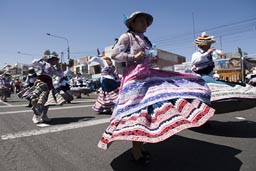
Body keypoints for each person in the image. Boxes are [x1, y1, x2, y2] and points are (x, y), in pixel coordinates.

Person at [97, 11, 215, 164]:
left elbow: (148, 58)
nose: (144, 24)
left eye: (146, 22)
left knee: (151, 111)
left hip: (149, 75)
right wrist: (133, 57)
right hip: (135, 79)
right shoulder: (127, 36)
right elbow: (114, 54)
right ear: (132, 23)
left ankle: (139, 149)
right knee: (137, 112)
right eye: (141, 21)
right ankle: (136, 151)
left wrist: (153, 58)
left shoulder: (146, 39)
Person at [20, 55, 66, 124]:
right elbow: (34, 63)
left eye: (57, 60)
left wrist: (59, 68)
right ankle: (36, 115)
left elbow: (61, 75)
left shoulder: (54, 68)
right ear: (51, 59)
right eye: (56, 60)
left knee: (48, 100)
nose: (57, 61)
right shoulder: (43, 63)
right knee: (37, 99)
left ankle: (44, 115)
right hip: (41, 82)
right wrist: (41, 58)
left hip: (49, 84)